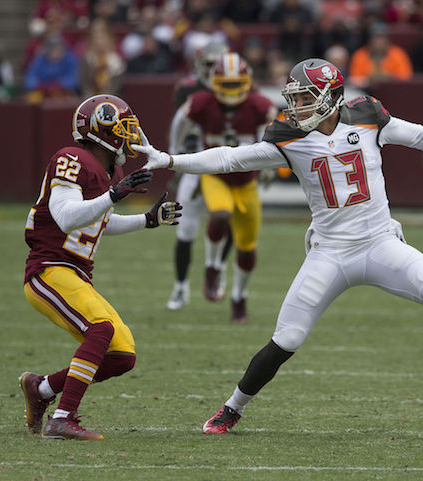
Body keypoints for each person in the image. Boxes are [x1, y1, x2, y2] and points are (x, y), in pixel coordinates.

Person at [133, 58, 423, 434]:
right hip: (330, 253)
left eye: (304, 98)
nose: (295, 107)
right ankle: (232, 408)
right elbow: (230, 157)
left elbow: (422, 136)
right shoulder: (288, 136)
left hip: (380, 242)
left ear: (330, 97)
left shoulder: (367, 116)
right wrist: (169, 160)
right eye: (293, 99)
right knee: (286, 340)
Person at [20, 94, 181, 440]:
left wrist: (148, 221)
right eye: (124, 129)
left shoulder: (109, 170)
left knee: (122, 355)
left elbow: (98, 222)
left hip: (74, 273)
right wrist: (113, 195)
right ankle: (63, 417)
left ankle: (42, 389)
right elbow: (66, 218)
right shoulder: (72, 158)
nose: (130, 137)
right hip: (49, 268)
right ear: (100, 131)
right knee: (102, 328)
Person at [168, 52, 276, 323]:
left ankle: (239, 297)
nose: (230, 90)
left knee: (247, 248)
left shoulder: (259, 105)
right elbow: (180, 120)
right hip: (215, 175)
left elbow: (276, 130)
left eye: (235, 83)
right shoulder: (202, 102)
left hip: (246, 181)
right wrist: (174, 149)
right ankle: (213, 266)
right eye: (225, 84)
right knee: (220, 214)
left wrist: (270, 163)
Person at [166, 41, 232, 311]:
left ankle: (217, 268)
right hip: (196, 162)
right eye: (209, 65)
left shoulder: (237, 85)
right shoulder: (189, 90)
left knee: (230, 221)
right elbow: (180, 123)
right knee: (186, 228)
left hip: (226, 165)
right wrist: (174, 155)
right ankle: (181, 286)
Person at [348, 22, 413, 90]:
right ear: (369, 40)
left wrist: (389, 78)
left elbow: (406, 78)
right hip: (366, 93)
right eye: (375, 38)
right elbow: (353, 80)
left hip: (394, 91)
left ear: (387, 40)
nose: (378, 42)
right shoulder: (360, 55)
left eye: (381, 38)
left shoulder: (398, 54)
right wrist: (369, 79)